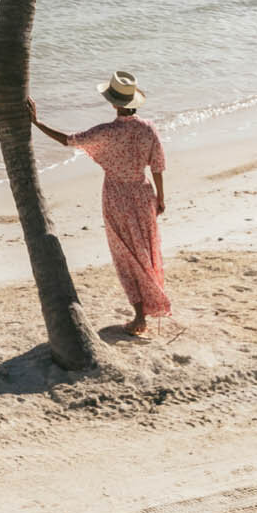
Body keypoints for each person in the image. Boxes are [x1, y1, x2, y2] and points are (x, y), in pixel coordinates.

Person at [28, 70, 171, 337]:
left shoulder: (106, 132)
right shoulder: (148, 129)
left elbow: (68, 140)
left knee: (124, 254)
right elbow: (158, 166)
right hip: (143, 193)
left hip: (116, 196)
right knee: (145, 251)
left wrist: (36, 123)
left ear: (114, 103)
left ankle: (140, 315)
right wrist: (160, 198)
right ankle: (147, 309)